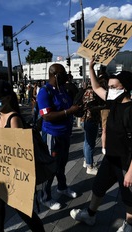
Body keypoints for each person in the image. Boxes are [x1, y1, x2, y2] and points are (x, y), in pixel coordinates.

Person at [70, 58, 132, 232]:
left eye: (113, 87)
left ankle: (129, 225)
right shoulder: (114, 102)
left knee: (129, 197)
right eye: (109, 87)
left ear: (125, 88)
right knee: (98, 187)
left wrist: (131, 172)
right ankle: (90, 215)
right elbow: (97, 88)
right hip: (110, 159)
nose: (109, 90)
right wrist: (90, 67)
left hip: (127, 162)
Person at [0, 80, 45, 232]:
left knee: (23, 211)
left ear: (8, 98)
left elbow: (18, 153)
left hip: (14, 176)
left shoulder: (14, 119)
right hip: (2, 173)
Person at [37, 63, 80, 210]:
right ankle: (45, 196)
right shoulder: (44, 92)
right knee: (51, 166)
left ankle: (62, 187)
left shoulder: (62, 90)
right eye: (63, 73)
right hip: (52, 135)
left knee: (62, 163)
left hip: (65, 134)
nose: (66, 76)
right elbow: (47, 116)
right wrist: (69, 112)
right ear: (55, 74)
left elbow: (70, 108)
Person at [80, 82, 104, 175]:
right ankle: (90, 166)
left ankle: (87, 161)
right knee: (90, 143)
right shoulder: (92, 92)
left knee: (86, 142)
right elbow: (90, 107)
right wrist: (103, 106)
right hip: (91, 119)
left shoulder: (86, 91)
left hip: (86, 119)